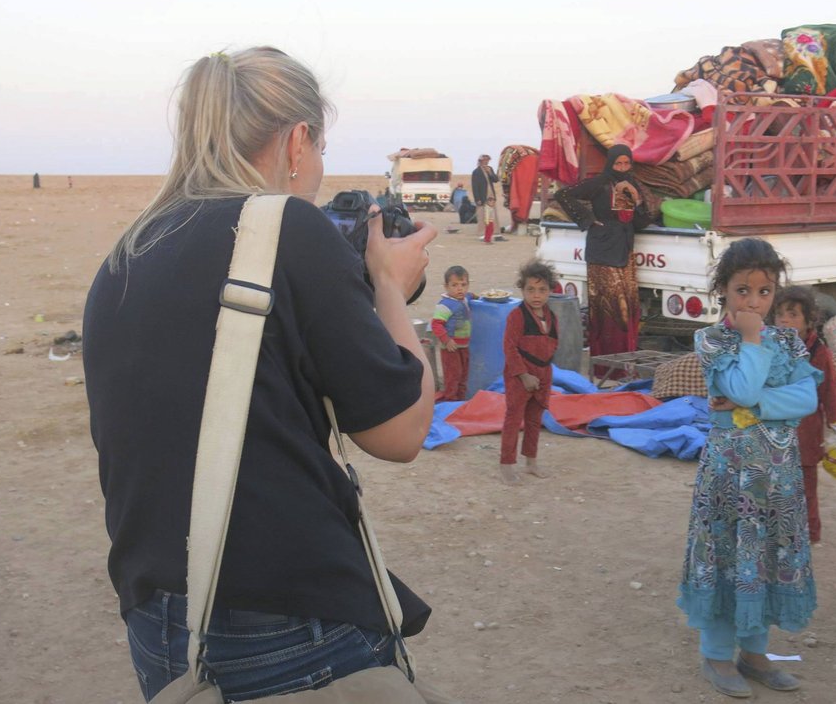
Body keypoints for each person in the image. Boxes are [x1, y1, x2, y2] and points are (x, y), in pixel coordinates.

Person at [82, 46, 438, 701]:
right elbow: (401, 432)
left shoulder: (129, 252)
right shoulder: (287, 229)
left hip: (159, 615)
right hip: (280, 615)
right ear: (298, 141)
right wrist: (390, 286)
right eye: (321, 148)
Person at [677, 238, 822, 699]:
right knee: (726, 559)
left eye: (764, 291)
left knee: (764, 560)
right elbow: (740, 383)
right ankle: (718, 657)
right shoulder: (712, 339)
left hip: (776, 480)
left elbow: (807, 398)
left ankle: (756, 655)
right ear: (722, 289)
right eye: (743, 290)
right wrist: (753, 342)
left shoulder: (789, 339)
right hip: (729, 478)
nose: (754, 302)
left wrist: (755, 403)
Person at [553, 144, 649, 377]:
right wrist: (588, 220)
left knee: (628, 313)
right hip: (602, 253)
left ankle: (624, 366)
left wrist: (636, 200)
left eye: (627, 164)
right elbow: (563, 194)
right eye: (619, 163)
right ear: (611, 163)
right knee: (610, 313)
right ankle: (606, 369)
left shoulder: (631, 185)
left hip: (624, 253)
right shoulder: (601, 183)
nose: (623, 168)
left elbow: (641, 222)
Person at [774, 285, 836, 545]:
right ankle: (779, 535)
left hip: (806, 433)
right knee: (774, 488)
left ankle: (811, 536)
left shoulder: (819, 352)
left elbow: (828, 393)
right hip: (774, 432)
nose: (784, 320)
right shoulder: (769, 347)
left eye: (793, 315)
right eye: (780, 314)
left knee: (806, 490)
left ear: (808, 321)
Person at [499, 259, 559, 486]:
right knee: (513, 419)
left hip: (543, 374)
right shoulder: (516, 316)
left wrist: (543, 375)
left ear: (550, 291)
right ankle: (506, 465)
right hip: (519, 375)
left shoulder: (551, 317)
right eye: (530, 290)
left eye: (542, 290)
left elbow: (554, 343)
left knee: (535, 420)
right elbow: (509, 347)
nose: (536, 295)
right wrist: (524, 375)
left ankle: (531, 462)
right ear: (522, 290)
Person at [431, 265, 474, 402]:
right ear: (446, 286)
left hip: (463, 347)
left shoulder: (464, 298)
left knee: (463, 377)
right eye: (454, 285)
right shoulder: (445, 305)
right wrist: (447, 340)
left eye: (463, 284)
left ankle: (460, 403)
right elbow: (436, 324)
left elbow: (469, 295)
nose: (460, 288)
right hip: (451, 348)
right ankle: (450, 406)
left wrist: (475, 296)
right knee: (452, 378)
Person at [471, 154, 505, 243]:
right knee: (482, 215)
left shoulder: (490, 169)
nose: (486, 161)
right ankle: (482, 234)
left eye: (488, 160)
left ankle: (496, 233)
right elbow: (475, 186)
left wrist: (490, 172)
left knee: (493, 216)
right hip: (482, 197)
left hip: (491, 197)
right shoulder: (476, 172)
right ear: (481, 161)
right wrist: (477, 199)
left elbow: (496, 180)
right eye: (485, 160)